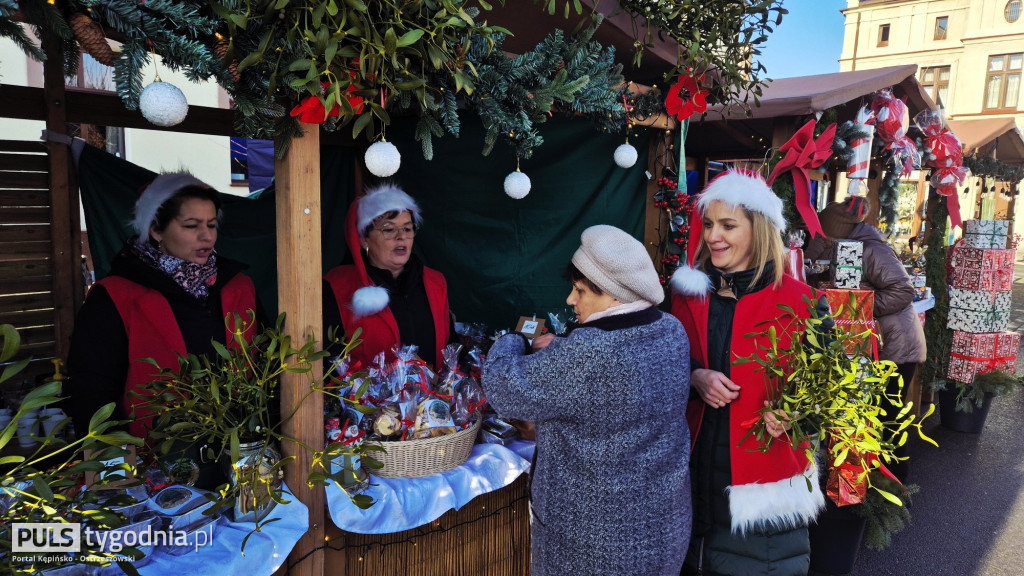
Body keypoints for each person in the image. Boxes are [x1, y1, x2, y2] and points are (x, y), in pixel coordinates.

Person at [483, 225, 692, 576]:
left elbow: (502, 387)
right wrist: (561, 354)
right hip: (664, 529)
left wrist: (514, 338)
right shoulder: (671, 330)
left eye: (580, 290)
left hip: (594, 548)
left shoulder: (591, 352)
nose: (570, 300)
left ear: (613, 295)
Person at [669, 170, 827, 576]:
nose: (712, 236)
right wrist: (693, 377)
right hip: (694, 476)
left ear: (758, 230)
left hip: (765, 486)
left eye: (727, 225)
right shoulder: (689, 296)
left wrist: (796, 411)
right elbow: (664, 365)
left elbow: (831, 390)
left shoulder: (804, 303)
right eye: (708, 224)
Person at [67, 172, 259, 486]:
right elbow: (92, 393)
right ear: (156, 229)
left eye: (211, 225)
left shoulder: (238, 286)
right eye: (191, 226)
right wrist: (116, 478)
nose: (206, 237)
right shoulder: (115, 296)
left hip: (237, 459)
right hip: (152, 471)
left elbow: (263, 364)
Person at [812, 196, 926, 480]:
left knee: (889, 417)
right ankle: (875, 483)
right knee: (874, 415)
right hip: (880, 342)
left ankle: (896, 487)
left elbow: (902, 291)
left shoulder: (871, 250)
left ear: (836, 232)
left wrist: (857, 308)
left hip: (896, 346)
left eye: (824, 236)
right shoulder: (849, 249)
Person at [323, 184, 451, 370]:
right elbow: (328, 360)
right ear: (364, 238)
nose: (401, 237)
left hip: (433, 397)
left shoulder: (436, 282)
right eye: (389, 229)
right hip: (364, 399)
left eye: (407, 229)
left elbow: (450, 346)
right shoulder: (336, 287)